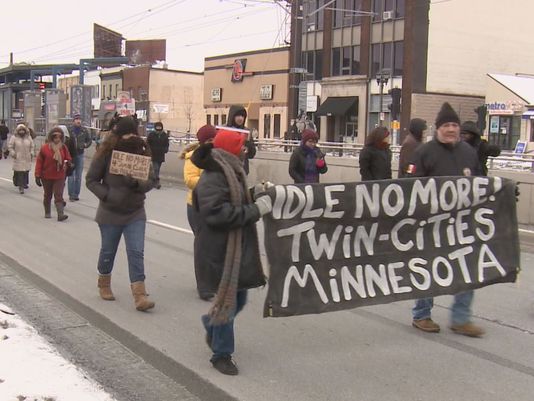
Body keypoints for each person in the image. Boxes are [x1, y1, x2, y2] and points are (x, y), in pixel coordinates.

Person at [191, 129, 270, 376]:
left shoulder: (230, 170)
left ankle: (212, 325)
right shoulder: (214, 176)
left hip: (232, 249)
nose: (246, 149)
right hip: (220, 251)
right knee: (228, 302)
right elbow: (218, 213)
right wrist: (256, 210)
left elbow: (234, 200)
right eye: (242, 145)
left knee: (240, 299)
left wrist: (254, 192)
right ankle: (221, 355)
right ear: (230, 149)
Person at [407, 102, 484, 337]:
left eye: (454, 125)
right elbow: (408, 187)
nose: (451, 129)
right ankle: (422, 314)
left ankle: (461, 319)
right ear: (438, 128)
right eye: (446, 125)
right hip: (432, 225)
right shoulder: (423, 152)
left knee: (467, 269)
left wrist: (503, 193)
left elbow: (481, 182)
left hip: (463, 224)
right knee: (429, 269)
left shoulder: (468, 152)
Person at [86, 116, 156, 312]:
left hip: (135, 211)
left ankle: (140, 295)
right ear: (118, 135)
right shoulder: (107, 153)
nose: (130, 137)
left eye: (133, 133)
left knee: (136, 251)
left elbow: (151, 181)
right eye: (126, 134)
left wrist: (137, 184)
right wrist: (107, 195)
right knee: (108, 251)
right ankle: (104, 282)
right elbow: (91, 180)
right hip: (110, 212)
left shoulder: (143, 152)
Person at [180, 124, 218, 301]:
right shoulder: (192, 158)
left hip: (215, 204)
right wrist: (210, 182)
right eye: (209, 140)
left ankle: (214, 280)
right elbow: (189, 180)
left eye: (214, 140)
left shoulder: (219, 155)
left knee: (215, 245)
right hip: (197, 206)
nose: (212, 143)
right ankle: (204, 286)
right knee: (203, 246)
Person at [35, 127, 72, 221]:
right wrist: (37, 175)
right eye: (55, 137)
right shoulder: (45, 148)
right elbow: (39, 162)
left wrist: (68, 163)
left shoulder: (63, 147)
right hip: (46, 176)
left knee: (58, 195)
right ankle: (47, 211)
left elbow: (68, 158)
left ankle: (60, 214)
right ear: (51, 138)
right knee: (48, 195)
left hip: (59, 175)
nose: (57, 139)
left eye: (59, 137)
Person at [67, 114, 92, 201]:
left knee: (78, 176)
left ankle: (76, 194)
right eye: (76, 119)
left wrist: (85, 145)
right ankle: (71, 194)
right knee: (71, 175)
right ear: (73, 121)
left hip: (80, 154)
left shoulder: (84, 130)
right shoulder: (69, 130)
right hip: (71, 155)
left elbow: (89, 140)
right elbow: (65, 139)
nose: (78, 121)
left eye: (79, 119)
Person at [226, 105, 256, 175]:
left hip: (242, 171)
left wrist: (249, 146)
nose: (240, 118)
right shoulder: (225, 130)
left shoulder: (246, 132)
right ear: (232, 116)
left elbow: (252, 154)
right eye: (238, 116)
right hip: (228, 170)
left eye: (242, 116)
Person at [8, 124, 34, 194]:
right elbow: (10, 146)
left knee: (25, 172)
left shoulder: (28, 137)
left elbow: (32, 146)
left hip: (27, 157)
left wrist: (31, 153)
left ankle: (24, 184)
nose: (22, 132)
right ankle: (21, 187)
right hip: (18, 157)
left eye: (23, 130)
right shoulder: (14, 137)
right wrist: (13, 153)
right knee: (20, 172)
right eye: (20, 130)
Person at [146, 121, 169, 189]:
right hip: (153, 153)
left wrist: (166, 149)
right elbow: (148, 143)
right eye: (157, 126)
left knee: (158, 168)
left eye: (160, 126)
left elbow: (167, 143)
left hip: (161, 154)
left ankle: (153, 180)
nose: (158, 128)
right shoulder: (151, 134)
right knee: (155, 168)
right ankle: (156, 182)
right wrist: (148, 150)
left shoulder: (164, 135)